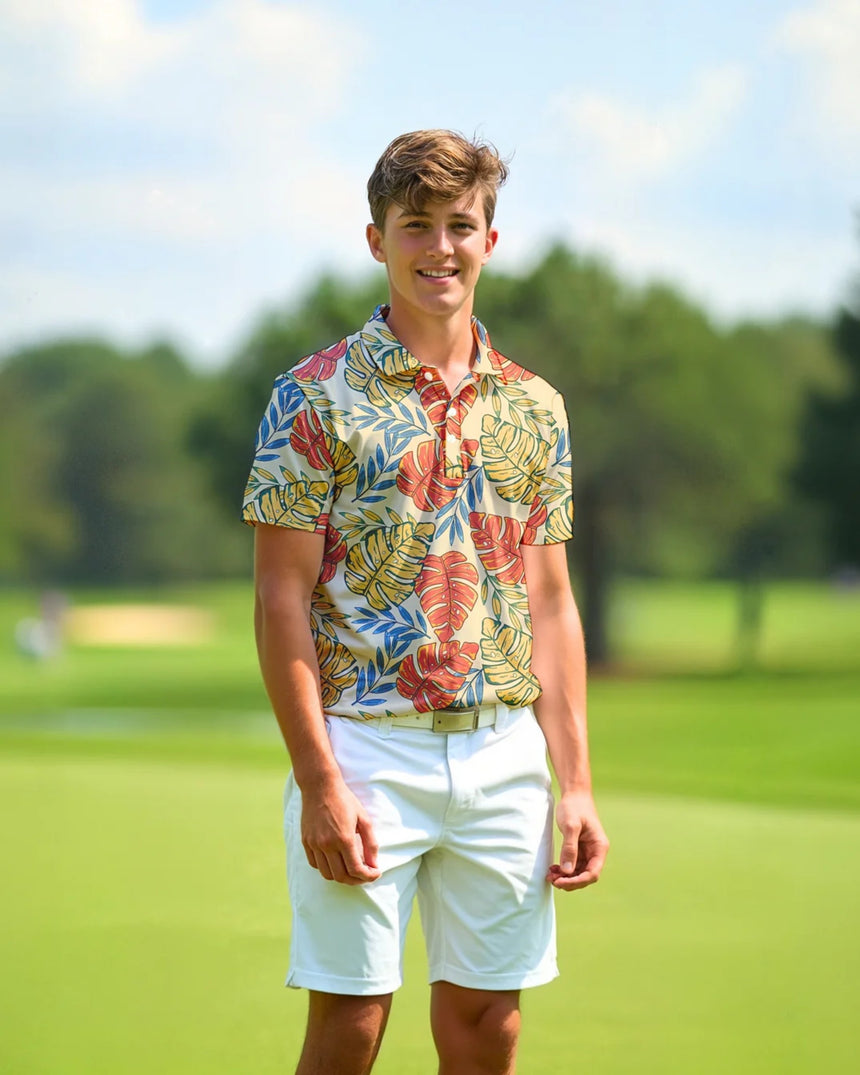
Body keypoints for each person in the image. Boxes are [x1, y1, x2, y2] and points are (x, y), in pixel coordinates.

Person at [242, 129, 609, 1075]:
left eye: (460, 225)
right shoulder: (311, 396)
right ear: (377, 240)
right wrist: (319, 781)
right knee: (352, 1025)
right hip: (364, 751)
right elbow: (280, 599)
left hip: (504, 753)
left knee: (490, 1027)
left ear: (491, 239)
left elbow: (550, 600)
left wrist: (575, 782)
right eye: (416, 225)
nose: (439, 247)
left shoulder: (536, 406)